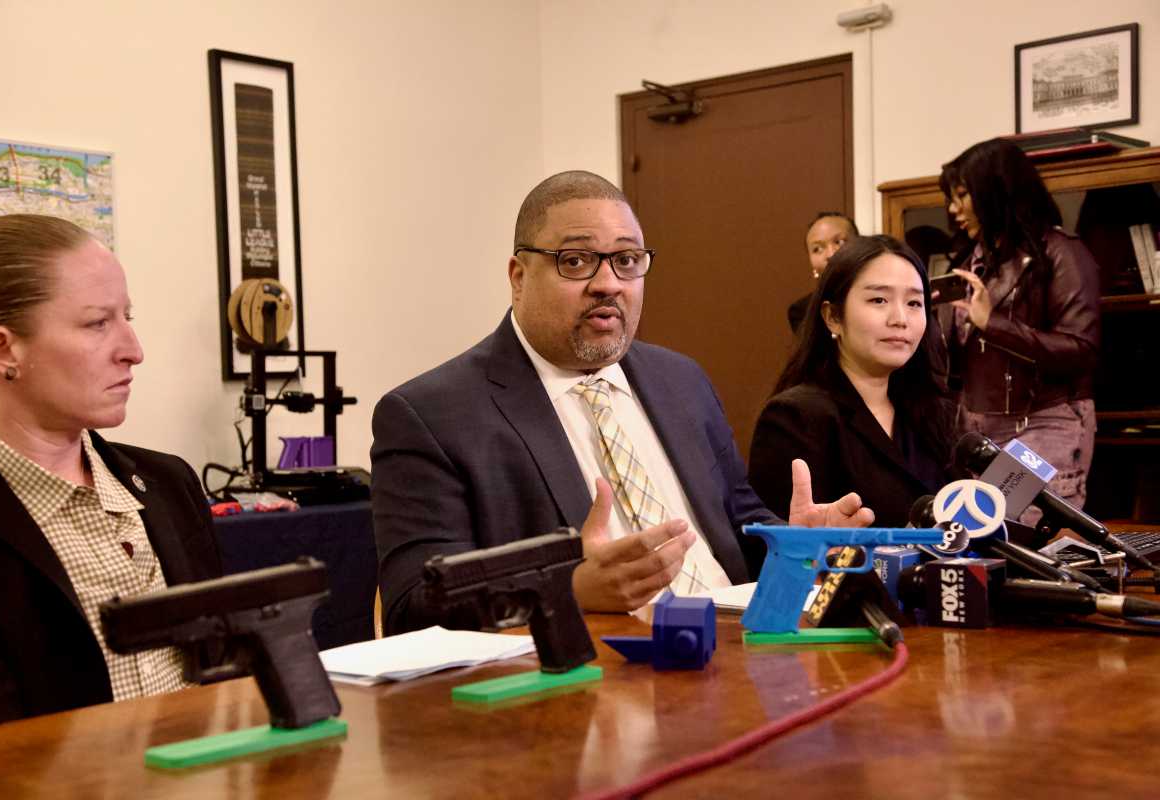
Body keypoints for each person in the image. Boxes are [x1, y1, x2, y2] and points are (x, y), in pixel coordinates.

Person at [372, 171, 874, 635]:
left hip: (739, 656)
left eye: (627, 260)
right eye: (575, 261)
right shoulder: (431, 416)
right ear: (518, 275)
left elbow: (740, 530)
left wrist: (794, 544)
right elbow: (411, 608)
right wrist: (568, 588)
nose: (608, 283)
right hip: (591, 693)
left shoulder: (682, 380)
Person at [0, 214, 222, 730]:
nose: (134, 350)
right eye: (97, 323)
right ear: (3, 349)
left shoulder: (170, 486)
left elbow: (224, 674)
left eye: (127, 316)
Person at [937, 138, 1100, 511]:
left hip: (1043, 424)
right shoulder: (970, 261)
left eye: (962, 195)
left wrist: (991, 324)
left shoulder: (1062, 252)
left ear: (994, 190)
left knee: (1016, 532)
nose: (953, 208)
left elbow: (1081, 349)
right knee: (979, 538)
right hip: (974, 428)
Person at [750, 236, 955, 527]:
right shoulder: (795, 418)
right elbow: (773, 548)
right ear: (832, 316)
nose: (900, 319)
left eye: (913, 303)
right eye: (879, 300)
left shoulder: (933, 411)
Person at [787, 212, 858, 334]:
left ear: (860, 245)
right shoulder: (804, 311)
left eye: (839, 242)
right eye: (817, 249)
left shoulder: (887, 292)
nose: (831, 254)